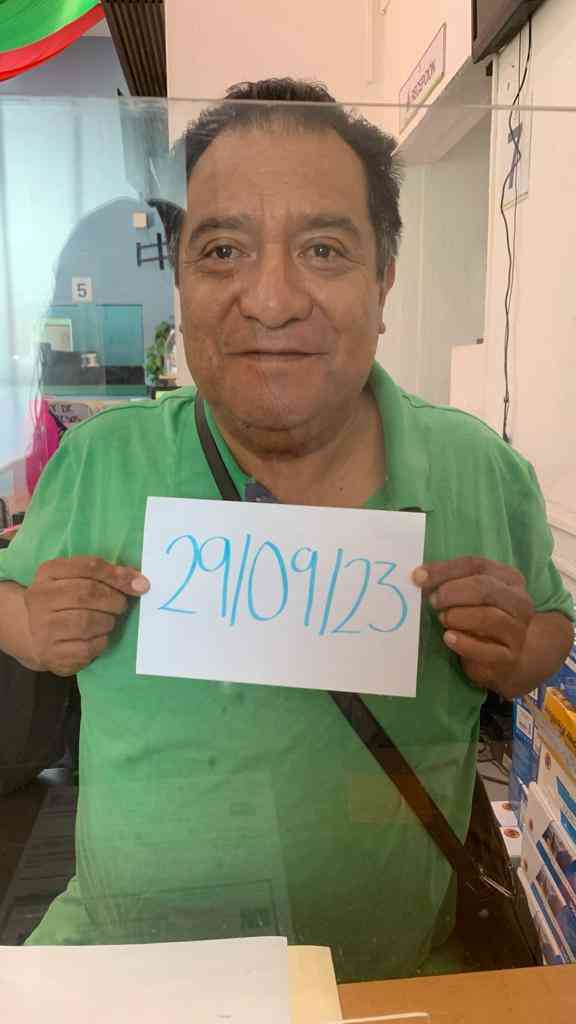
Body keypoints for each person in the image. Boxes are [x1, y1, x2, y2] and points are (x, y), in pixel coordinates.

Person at [0, 78, 572, 982]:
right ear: (182, 280)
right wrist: (33, 626)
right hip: (127, 969)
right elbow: (11, 596)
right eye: (223, 250)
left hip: (389, 978)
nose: (270, 300)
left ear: (384, 278)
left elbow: (550, 628)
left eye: (323, 249)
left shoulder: (478, 469)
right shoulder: (103, 460)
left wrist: (517, 652)